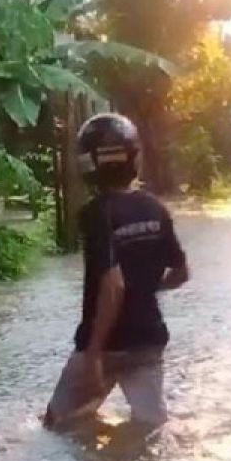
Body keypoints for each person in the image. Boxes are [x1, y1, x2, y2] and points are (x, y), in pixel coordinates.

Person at [43, 112, 189, 430]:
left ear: (88, 164)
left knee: (56, 429)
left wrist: (94, 354)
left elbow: (113, 286)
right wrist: (147, 288)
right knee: (151, 429)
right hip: (149, 340)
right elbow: (181, 273)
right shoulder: (156, 207)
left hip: (107, 345)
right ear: (134, 159)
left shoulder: (96, 214)